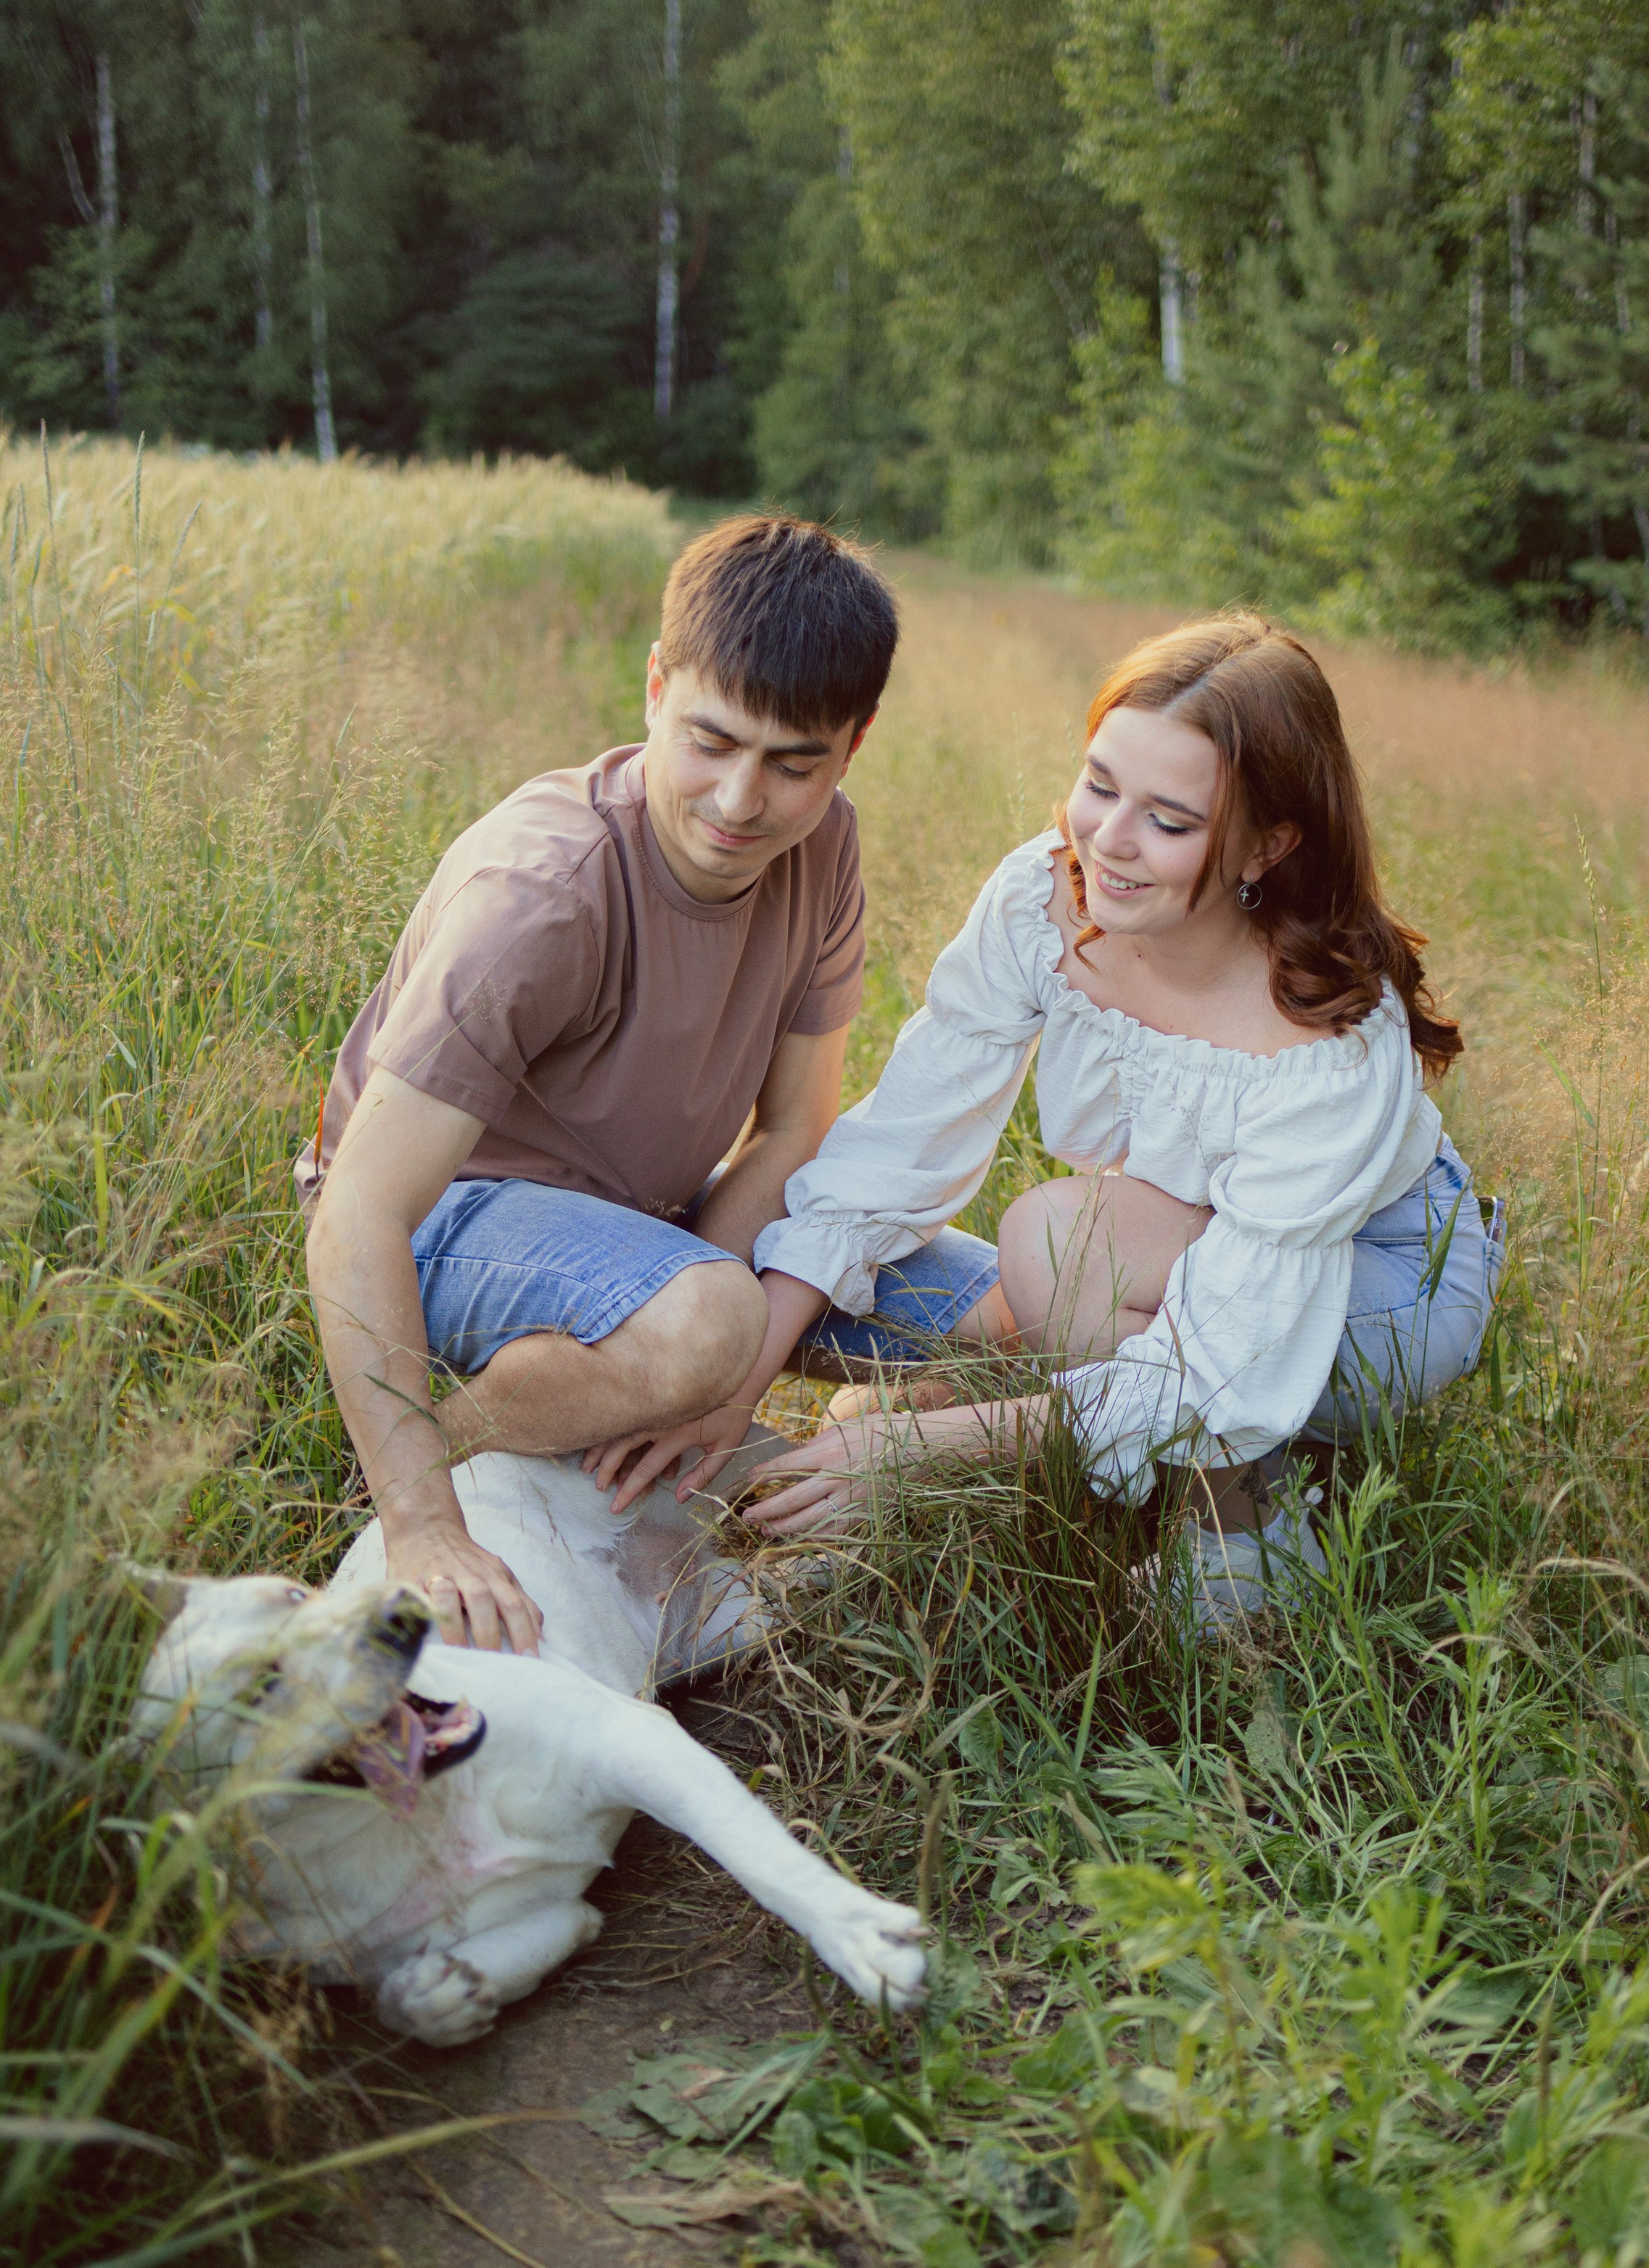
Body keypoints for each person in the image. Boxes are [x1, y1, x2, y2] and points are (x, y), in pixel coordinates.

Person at [596, 612, 1504, 1618]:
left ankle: (1252, 1531)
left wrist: (919, 1449)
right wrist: (734, 1383)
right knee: (811, 1261)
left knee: (1056, 1243)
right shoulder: (1045, 900)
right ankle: (1032, 1391)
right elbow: (902, 1139)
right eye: (1101, 784)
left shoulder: (1330, 1044)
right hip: (1179, 1236)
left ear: (1268, 845)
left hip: (1385, 1283)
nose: (1107, 842)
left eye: (1169, 819)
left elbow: (1226, 1363)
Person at [300, 514, 900, 1654]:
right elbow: (357, 1211)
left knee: (994, 1304)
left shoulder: (826, 853)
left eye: (793, 763)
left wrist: (716, 1385)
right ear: (655, 687)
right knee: (716, 1314)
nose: (739, 802)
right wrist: (420, 1525)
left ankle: (692, 1403)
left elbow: (791, 1136)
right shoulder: (546, 891)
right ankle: (442, 1447)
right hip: (447, 1216)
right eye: (711, 741)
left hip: (637, 1226)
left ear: (854, 745)